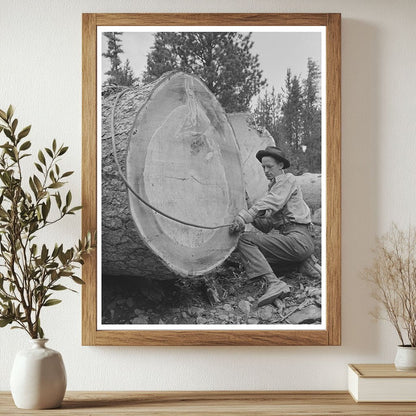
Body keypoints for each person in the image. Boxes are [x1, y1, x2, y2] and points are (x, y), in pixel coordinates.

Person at [229, 146, 320, 307]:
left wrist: (245, 216)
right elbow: (266, 226)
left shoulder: (288, 180)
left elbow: (271, 201)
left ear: (281, 165)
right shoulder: (276, 188)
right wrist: (249, 204)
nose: (265, 171)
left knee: (245, 241)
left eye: (269, 166)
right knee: (251, 259)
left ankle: (274, 283)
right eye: (263, 167)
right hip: (293, 240)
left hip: (298, 238)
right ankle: (300, 264)